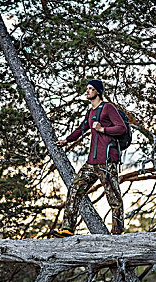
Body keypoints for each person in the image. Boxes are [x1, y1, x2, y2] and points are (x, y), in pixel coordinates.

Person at [52, 79, 126, 236]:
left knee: (113, 198)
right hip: (92, 163)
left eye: (91, 89)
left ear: (98, 92)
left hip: (107, 162)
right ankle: (68, 228)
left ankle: (118, 233)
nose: (87, 91)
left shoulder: (108, 108)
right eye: (87, 89)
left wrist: (103, 129)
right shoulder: (91, 112)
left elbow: (121, 128)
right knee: (75, 189)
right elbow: (82, 128)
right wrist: (67, 140)